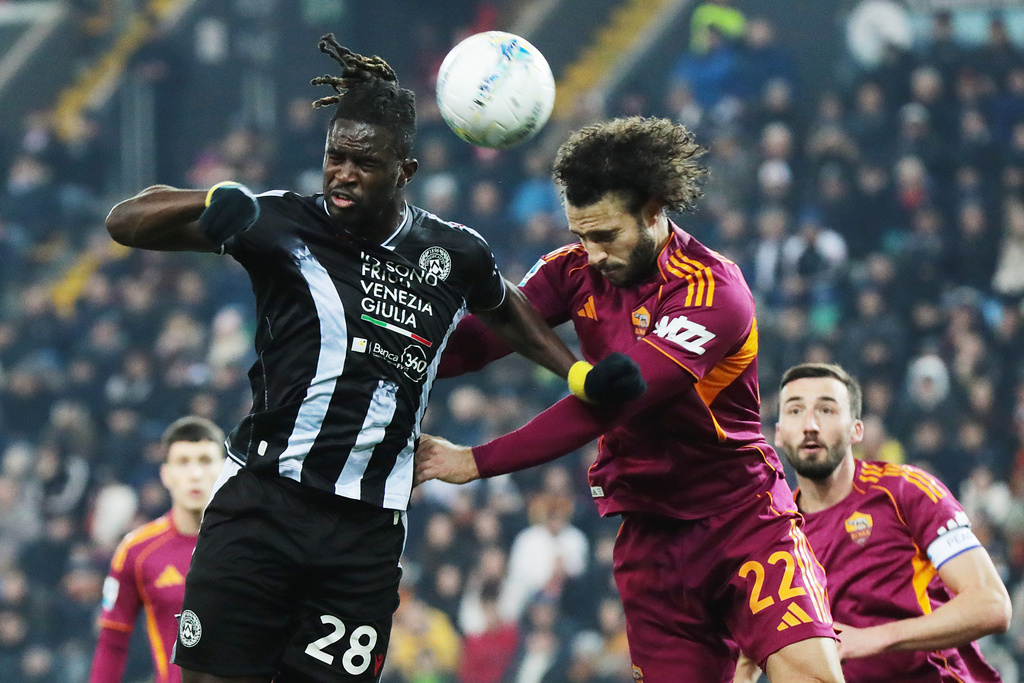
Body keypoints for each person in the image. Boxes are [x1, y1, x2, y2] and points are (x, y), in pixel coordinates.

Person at [103, 35, 642, 683]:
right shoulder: (279, 224)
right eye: (336, 157)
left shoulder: (454, 253)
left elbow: (504, 309)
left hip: (365, 533)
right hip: (262, 504)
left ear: (405, 170)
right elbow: (125, 222)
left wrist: (577, 372)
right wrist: (209, 198)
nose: (343, 173)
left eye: (363, 161)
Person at [415, 116, 843, 682]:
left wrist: (474, 461)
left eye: (605, 236)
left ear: (652, 209)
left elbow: (612, 402)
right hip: (650, 535)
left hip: (741, 520)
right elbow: (478, 343)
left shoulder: (713, 291)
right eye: (579, 235)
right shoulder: (574, 270)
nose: (590, 254)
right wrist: (391, 342)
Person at [735, 362, 1011, 682]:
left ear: (856, 429)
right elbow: (747, 660)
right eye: (795, 411)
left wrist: (873, 638)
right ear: (779, 434)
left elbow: (991, 605)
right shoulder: (774, 536)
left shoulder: (906, 491)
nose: (810, 425)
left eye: (826, 410)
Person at [88, 416, 226, 683]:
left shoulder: (260, 544)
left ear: (224, 469)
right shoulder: (137, 551)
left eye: (205, 461)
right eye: (183, 462)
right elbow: (112, 641)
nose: (195, 474)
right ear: (166, 474)